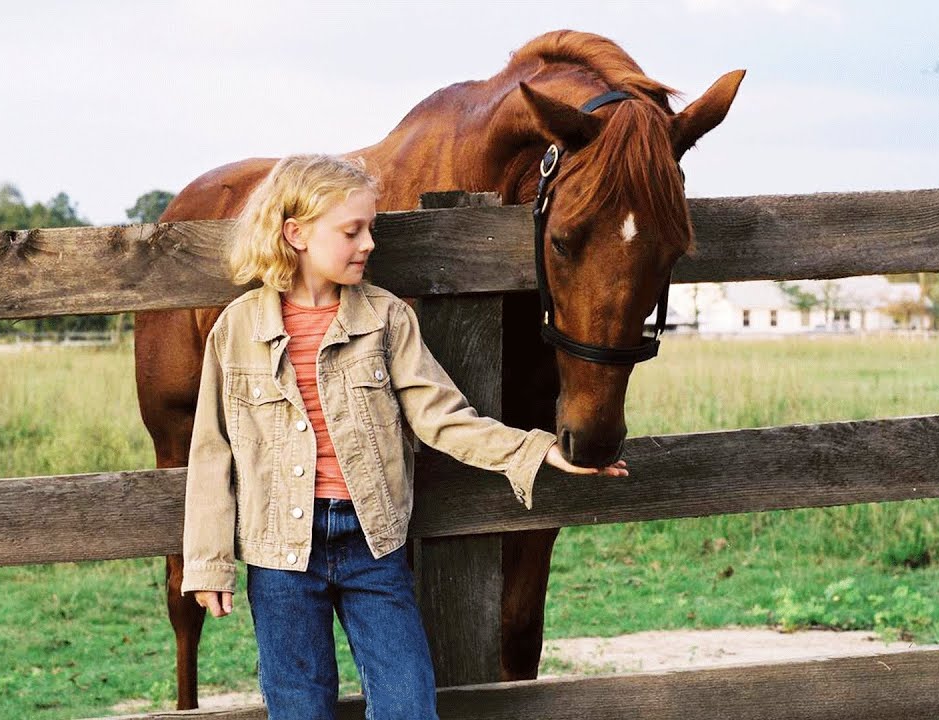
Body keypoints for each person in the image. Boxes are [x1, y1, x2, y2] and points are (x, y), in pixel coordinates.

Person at [181, 153, 628, 719]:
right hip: (279, 559)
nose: (368, 243)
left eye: (371, 229)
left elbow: (441, 416)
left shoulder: (387, 319)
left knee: (409, 707)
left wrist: (536, 449)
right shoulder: (237, 329)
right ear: (295, 233)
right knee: (299, 709)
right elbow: (211, 453)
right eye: (352, 231)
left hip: (373, 545)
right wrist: (208, 562)